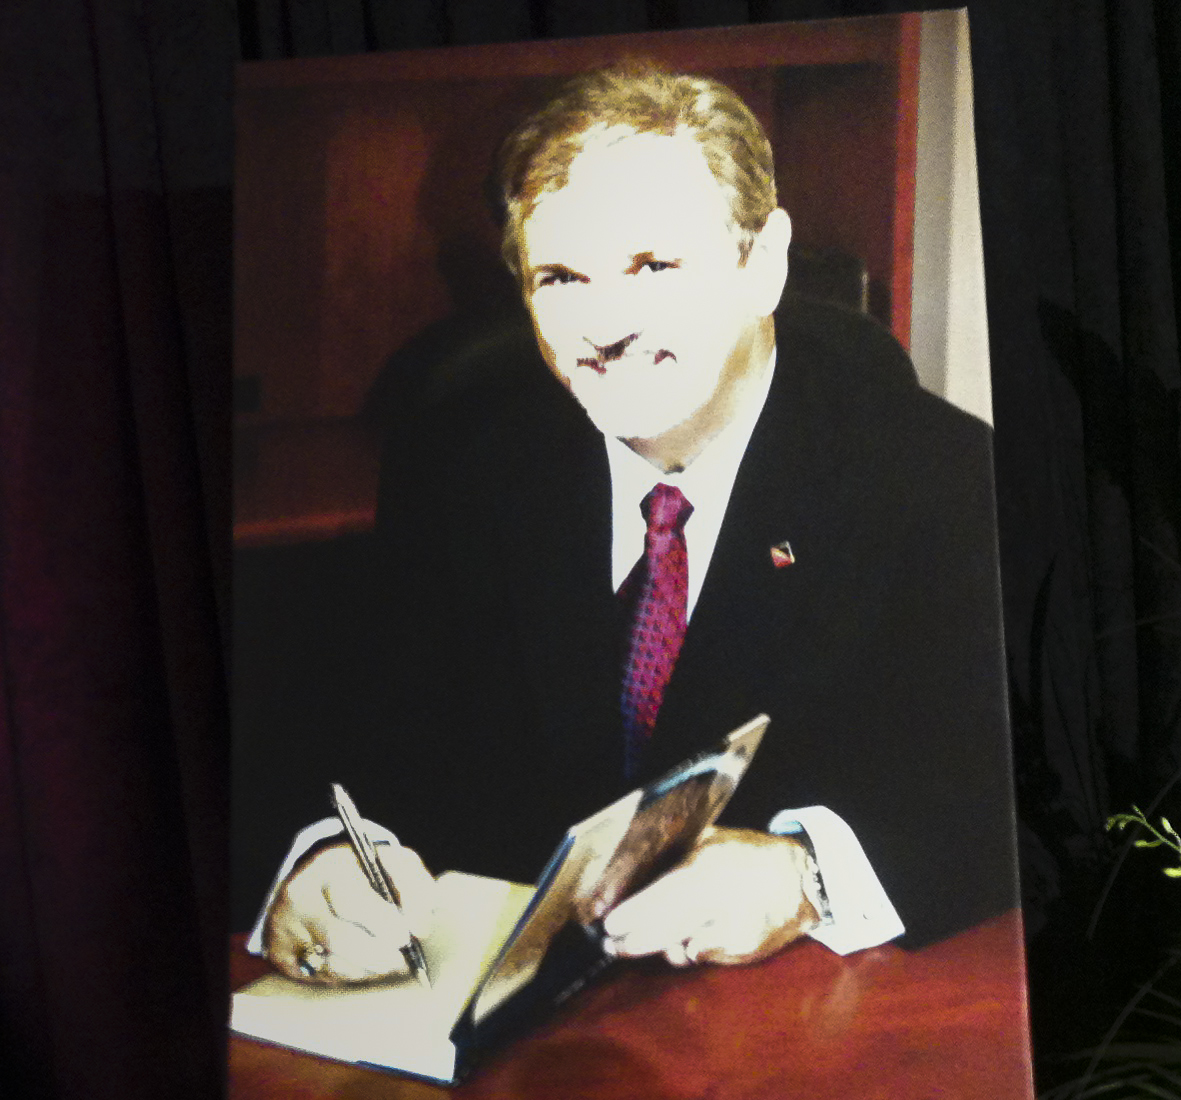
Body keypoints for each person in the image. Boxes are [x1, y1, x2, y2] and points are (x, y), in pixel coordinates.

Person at [249, 63, 1015, 985]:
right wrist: (318, 855)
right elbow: (343, 727)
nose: (605, 327)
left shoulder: (942, 483)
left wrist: (809, 875)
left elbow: (1018, 797)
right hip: (508, 1030)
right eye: (562, 277)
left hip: (785, 1030)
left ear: (761, 263)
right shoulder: (464, 461)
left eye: (653, 266)